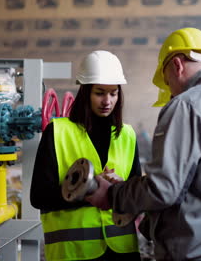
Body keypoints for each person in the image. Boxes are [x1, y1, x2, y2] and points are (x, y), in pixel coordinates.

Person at [86, 28, 201, 261]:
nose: (170, 92)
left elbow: (164, 189)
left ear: (177, 65)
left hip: (194, 252)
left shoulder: (186, 106)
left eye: (167, 82)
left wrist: (113, 195)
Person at [30, 50, 141, 261]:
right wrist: (89, 190)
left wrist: (121, 188)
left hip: (122, 250)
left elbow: (137, 194)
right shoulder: (58, 132)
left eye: (113, 93)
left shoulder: (127, 135)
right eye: (99, 93)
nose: (107, 101)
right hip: (73, 252)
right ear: (85, 92)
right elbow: (39, 196)